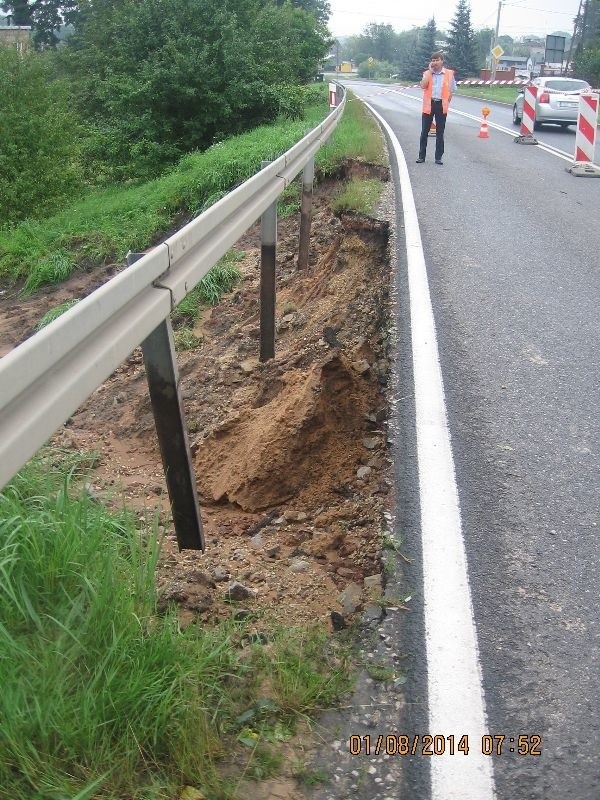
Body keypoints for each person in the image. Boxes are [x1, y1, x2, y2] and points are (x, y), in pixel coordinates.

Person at [416, 52, 457, 165]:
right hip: (429, 105)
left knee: (440, 132)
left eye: (437, 60)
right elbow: (423, 86)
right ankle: (421, 156)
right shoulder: (427, 73)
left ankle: (438, 157)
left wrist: (446, 102)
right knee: (424, 132)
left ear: (442, 61)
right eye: (433, 60)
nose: (434, 62)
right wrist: (429, 71)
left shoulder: (449, 74)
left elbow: (452, 90)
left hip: (441, 106)